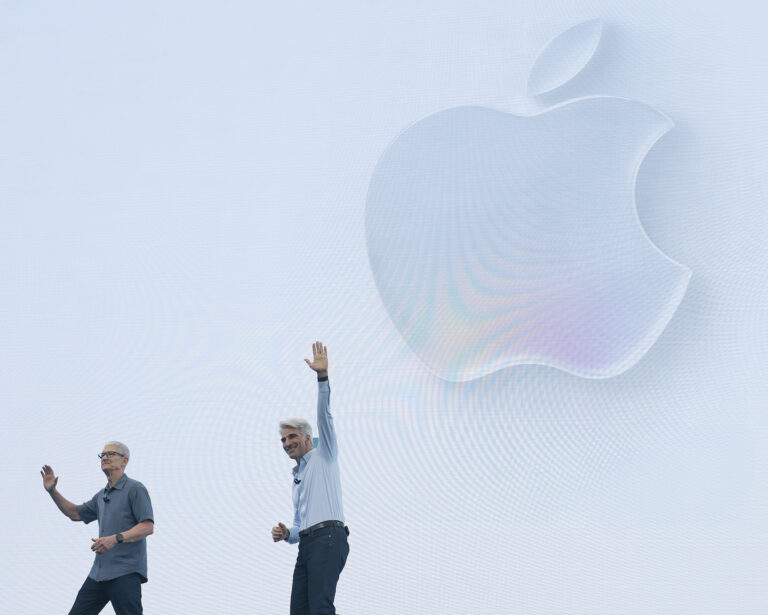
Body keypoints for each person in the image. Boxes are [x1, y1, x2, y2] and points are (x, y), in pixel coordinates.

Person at [272, 341, 350, 615]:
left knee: (320, 608)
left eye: (292, 436)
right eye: (283, 439)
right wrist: (287, 533)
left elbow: (325, 416)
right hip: (307, 543)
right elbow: (298, 527)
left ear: (307, 438)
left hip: (329, 537)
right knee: (300, 611)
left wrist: (322, 377)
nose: (287, 442)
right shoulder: (297, 476)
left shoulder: (323, 454)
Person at [41, 441, 154, 615]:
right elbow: (75, 513)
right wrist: (52, 491)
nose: (105, 457)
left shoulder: (135, 488)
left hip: (126, 572)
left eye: (111, 454)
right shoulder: (102, 496)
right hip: (98, 575)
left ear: (124, 461)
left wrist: (115, 538)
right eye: (103, 454)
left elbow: (147, 527)